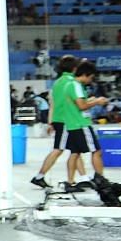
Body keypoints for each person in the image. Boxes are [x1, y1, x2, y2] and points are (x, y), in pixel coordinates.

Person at [34, 57, 107, 189]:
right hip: (68, 120)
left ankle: (77, 179)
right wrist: (93, 102)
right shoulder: (72, 83)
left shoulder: (57, 83)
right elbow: (79, 104)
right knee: (61, 149)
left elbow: (54, 103)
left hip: (61, 119)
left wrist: (51, 120)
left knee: (75, 151)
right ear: (75, 69)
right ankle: (40, 176)